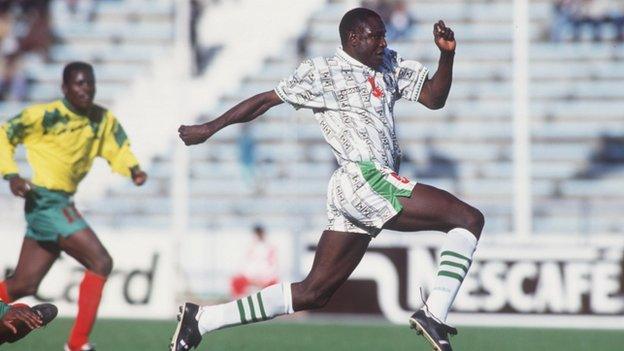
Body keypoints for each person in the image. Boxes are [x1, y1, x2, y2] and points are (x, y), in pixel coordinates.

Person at [171, 8, 483, 351]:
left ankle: (202, 320)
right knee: (467, 219)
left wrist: (446, 55)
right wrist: (209, 128)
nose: (383, 42)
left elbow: (434, 98)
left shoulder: (389, 63)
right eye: (375, 36)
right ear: (353, 38)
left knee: (313, 292)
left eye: (384, 36)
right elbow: (264, 101)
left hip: (357, 188)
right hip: (365, 178)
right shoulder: (322, 72)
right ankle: (434, 313)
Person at [0, 61, 148, 351]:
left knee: (24, 285)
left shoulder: (101, 119)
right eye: (79, 83)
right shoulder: (45, 115)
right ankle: (77, 343)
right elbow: (5, 134)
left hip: (60, 202)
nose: (86, 89)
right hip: (44, 200)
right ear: (64, 88)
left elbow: (116, 146)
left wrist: (132, 169)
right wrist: (12, 174)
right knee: (101, 262)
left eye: (90, 83)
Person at [229, 225, 279, 299]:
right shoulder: (249, 247)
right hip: (249, 278)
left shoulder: (270, 248)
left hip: (266, 279)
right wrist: (251, 279)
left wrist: (263, 280)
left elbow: (273, 266)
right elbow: (243, 265)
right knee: (237, 283)